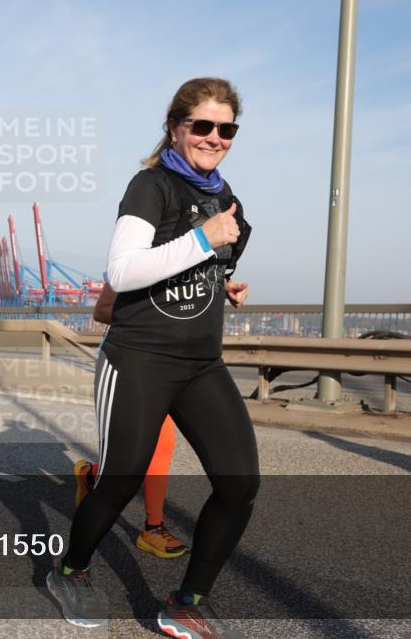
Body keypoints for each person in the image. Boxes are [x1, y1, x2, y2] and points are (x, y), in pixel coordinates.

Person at [46, 78, 256, 638]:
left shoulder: (223, 193)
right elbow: (123, 271)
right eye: (203, 126)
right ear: (176, 127)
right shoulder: (150, 186)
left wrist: (223, 282)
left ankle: (185, 602)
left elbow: (209, 259)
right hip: (138, 358)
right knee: (122, 480)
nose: (214, 137)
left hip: (201, 364)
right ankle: (71, 570)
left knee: (241, 484)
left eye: (226, 128)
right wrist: (204, 242)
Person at [73, 283, 188, 560]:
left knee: (160, 446)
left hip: (173, 364)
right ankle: (151, 528)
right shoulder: (135, 256)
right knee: (137, 454)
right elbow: (101, 311)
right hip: (129, 362)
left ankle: (151, 528)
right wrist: (153, 315)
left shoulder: (191, 265)